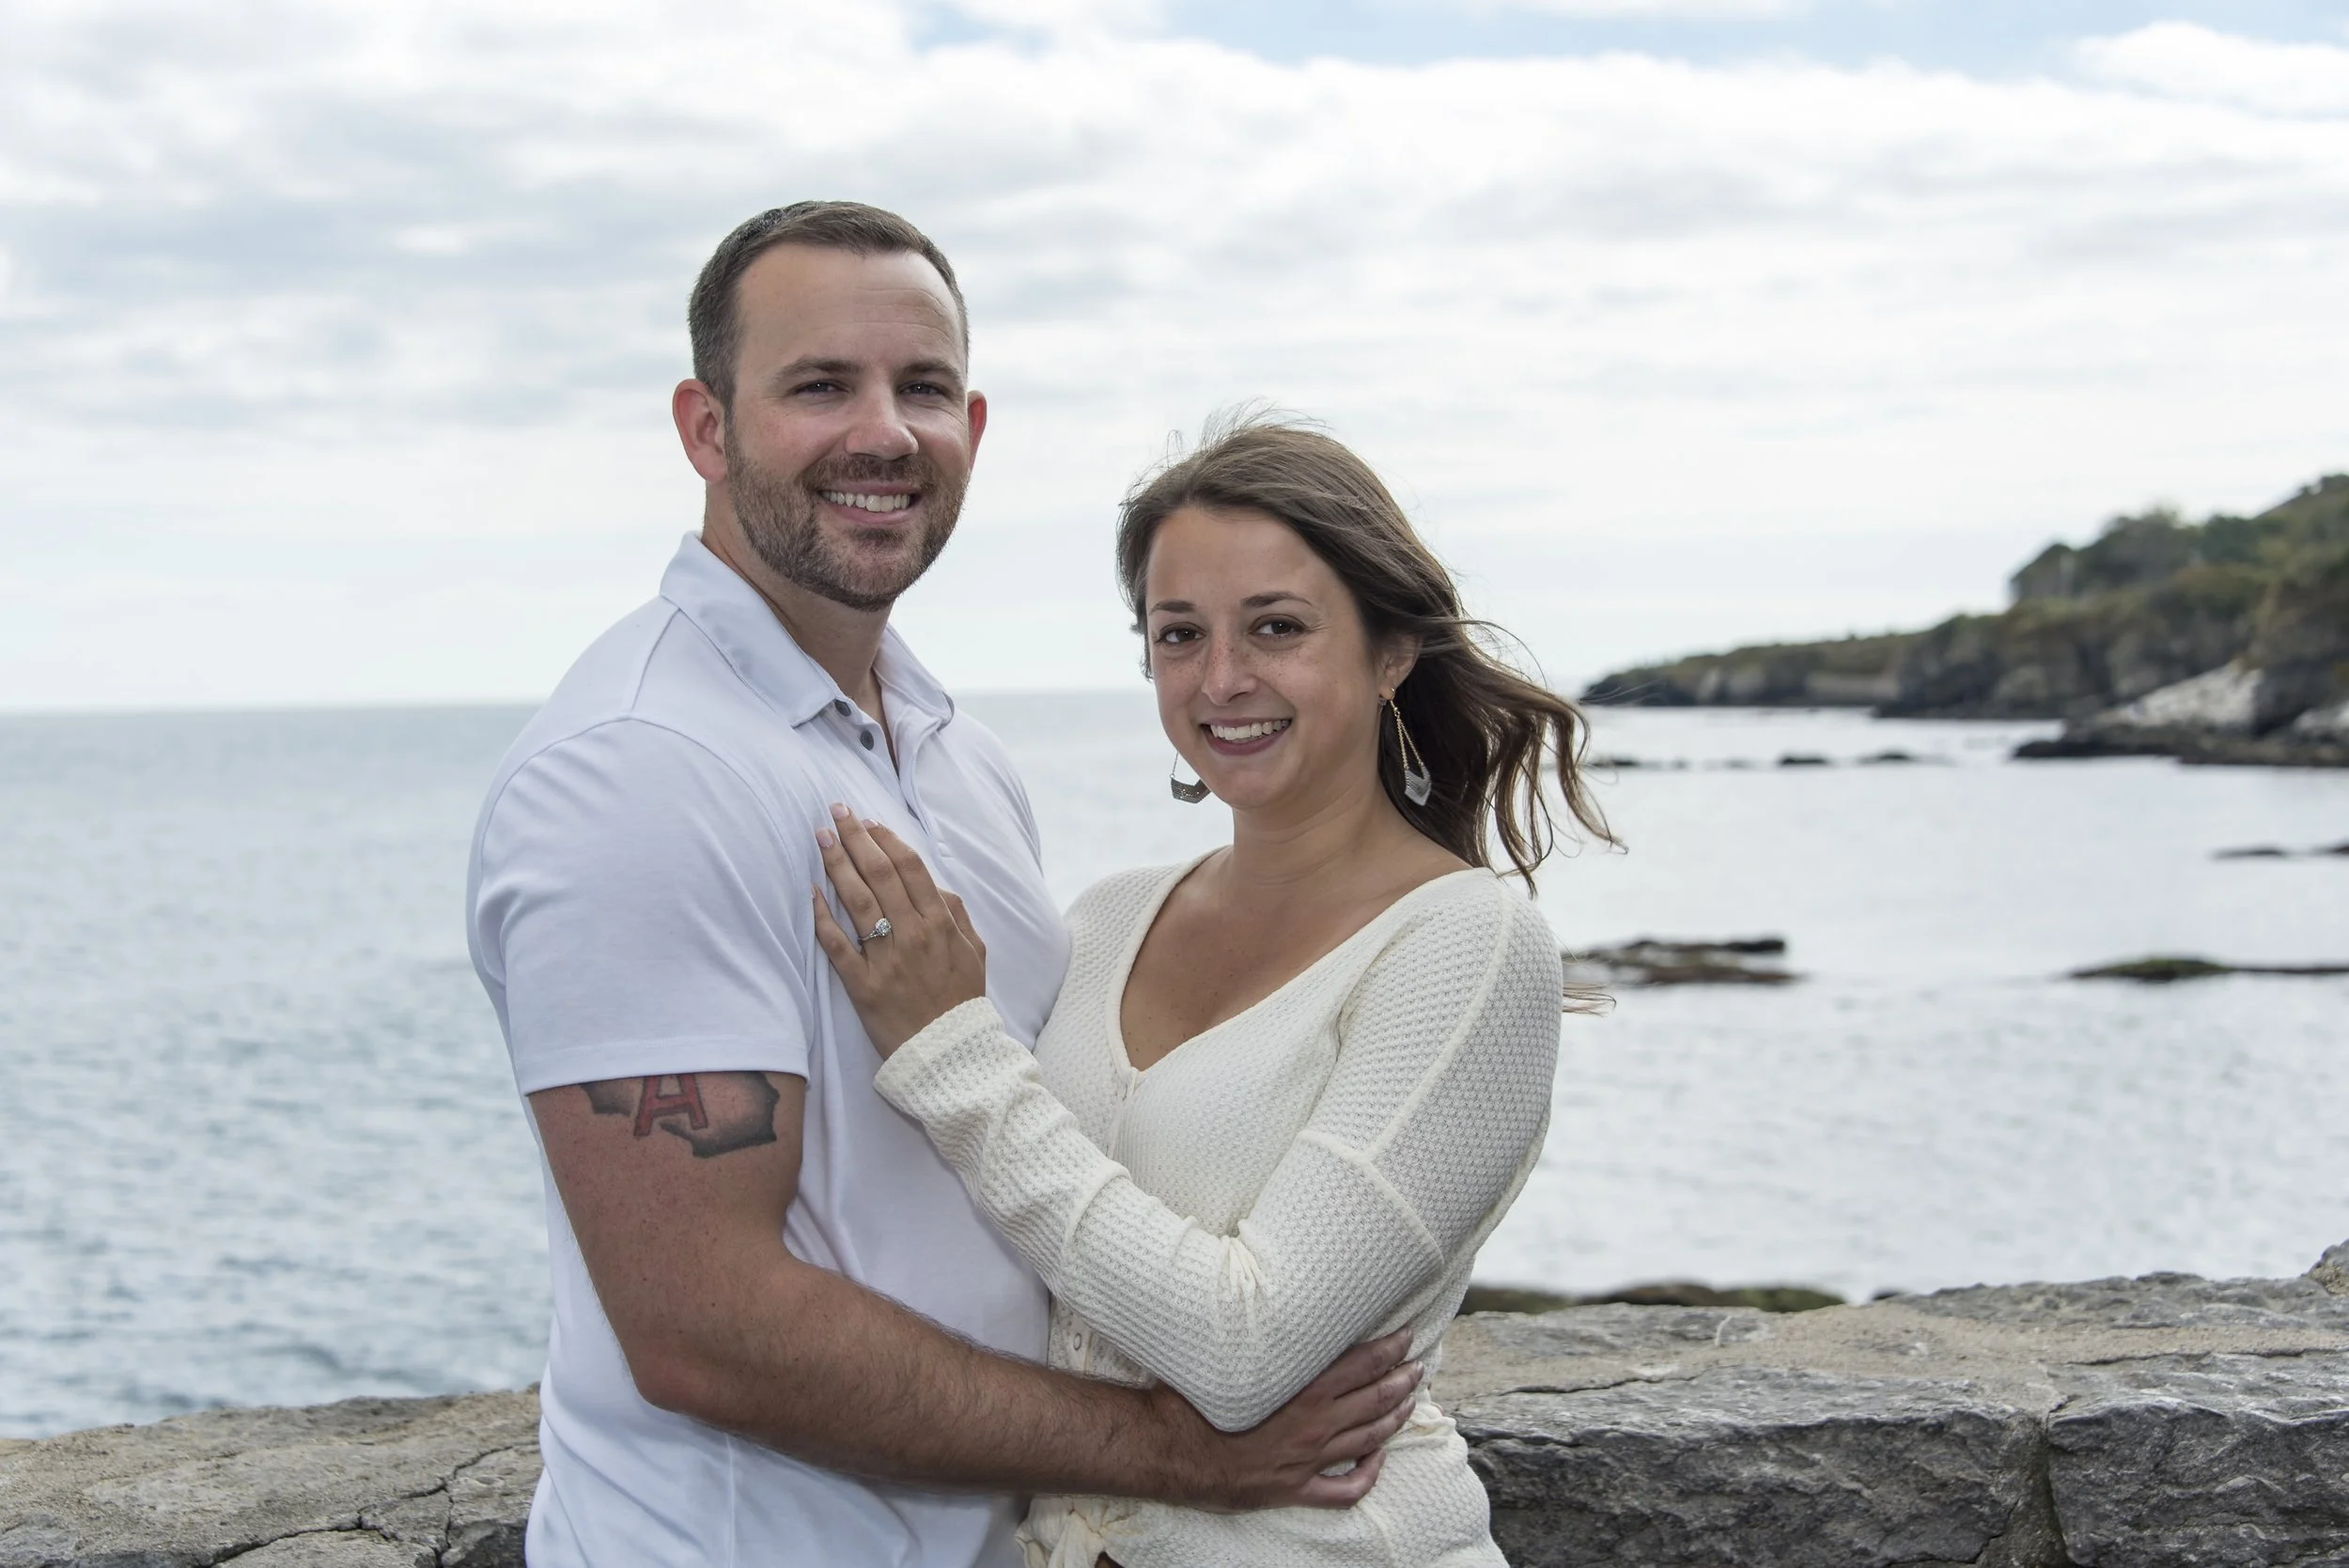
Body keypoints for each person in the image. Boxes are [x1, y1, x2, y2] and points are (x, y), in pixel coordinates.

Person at [466, 204, 1422, 1568]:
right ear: (704, 428)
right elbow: (699, 1323)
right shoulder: (639, 770)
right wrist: (1172, 1448)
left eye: (921, 388)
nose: (883, 432)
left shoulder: (957, 756)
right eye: (818, 386)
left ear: (972, 423)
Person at [811, 414, 1613, 1566]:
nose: (1222, 679)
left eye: (1276, 627)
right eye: (1178, 634)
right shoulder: (1106, 918)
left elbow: (1246, 1349)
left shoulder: (1466, 945)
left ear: (1391, 653)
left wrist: (951, 1050)